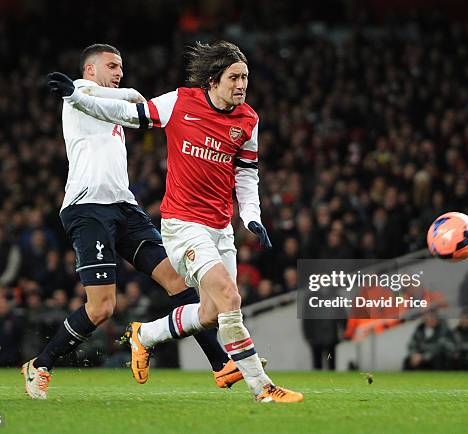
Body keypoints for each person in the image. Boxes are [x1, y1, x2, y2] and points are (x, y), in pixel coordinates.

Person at [47, 41, 303, 402]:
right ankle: (262, 387)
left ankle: (145, 336)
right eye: (234, 77)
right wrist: (76, 95)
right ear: (214, 79)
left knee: (212, 312)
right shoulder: (179, 102)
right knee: (230, 297)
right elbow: (126, 114)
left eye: (245, 77)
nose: (241, 84)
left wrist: (252, 216)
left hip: (220, 228)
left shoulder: (249, 119)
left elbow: (247, 175)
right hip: (183, 224)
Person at [23, 44, 246, 400]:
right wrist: (83, 90)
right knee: (102, 308)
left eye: (122, 67)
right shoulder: (78, 92)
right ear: (91, 70)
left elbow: (136, 101)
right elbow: (93, 94)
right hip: (87, 208)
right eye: (112, 66)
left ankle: (221, 363)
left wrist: (127, 95)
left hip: (124, 207)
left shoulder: (115, 101)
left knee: (178, 281)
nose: (120, 72)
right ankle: (41, 364)